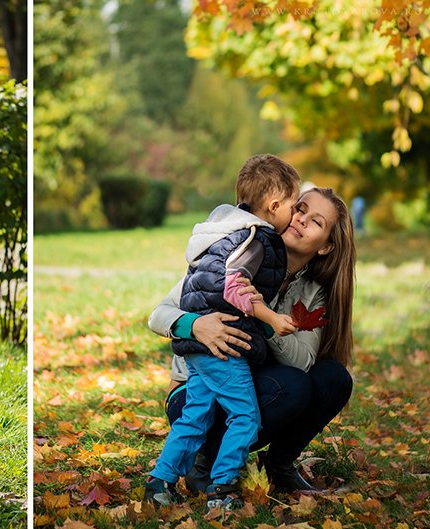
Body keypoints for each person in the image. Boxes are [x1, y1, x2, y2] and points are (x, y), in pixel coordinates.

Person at [149, 186, 355, 498]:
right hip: (193, 395)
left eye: (315, 222)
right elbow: (159, 314)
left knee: (331, 378)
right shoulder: (242, 251)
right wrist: (197, 325)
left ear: (326, 247)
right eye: (300, 209)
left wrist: (266, 317)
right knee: (290, 385)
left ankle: (279, 465)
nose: (300, 219)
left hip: (250, 383)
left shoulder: (314, 292)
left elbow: (302, 362)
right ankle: (203, 462)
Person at [143, 154, 301, 510]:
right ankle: (222, 488)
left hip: (199, 352)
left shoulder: (223, 233)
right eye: (294, 205)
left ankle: (160, 482)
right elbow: (234, 289)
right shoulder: (254, 239)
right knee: (245, 417)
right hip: (223, 347)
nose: (295, 214)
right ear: (274, 206)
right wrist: (271, 319)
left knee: (197, 415)